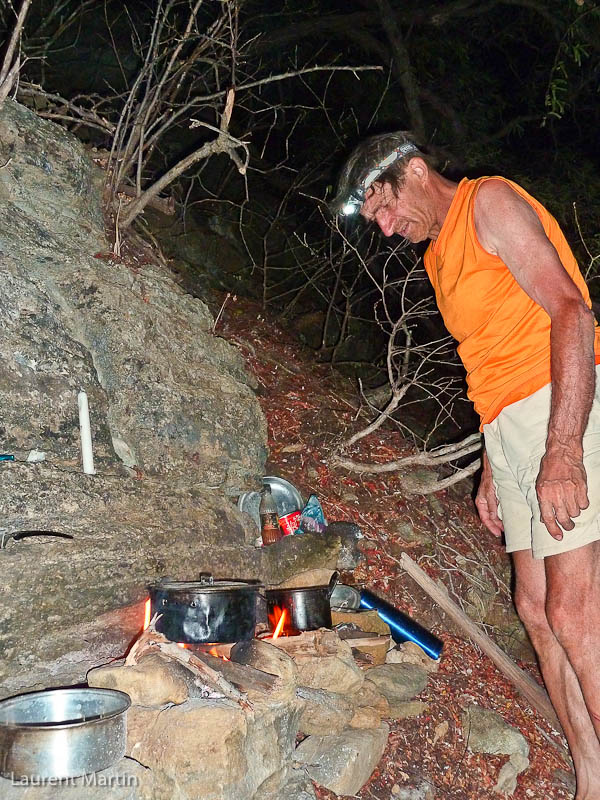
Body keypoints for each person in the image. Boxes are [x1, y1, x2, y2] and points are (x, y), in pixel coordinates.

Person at [332, 131, 600, 800]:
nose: (389, 230)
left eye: (386, 210)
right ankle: (591, 777)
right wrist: (490, 464)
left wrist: (564, 446)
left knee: (573, 612)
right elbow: (485, 362)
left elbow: (572, 310)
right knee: (534, 610)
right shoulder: (438, 258)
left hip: (557, 404)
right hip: (509, 430)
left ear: (415, 171)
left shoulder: (491, 204)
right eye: (377, 224)